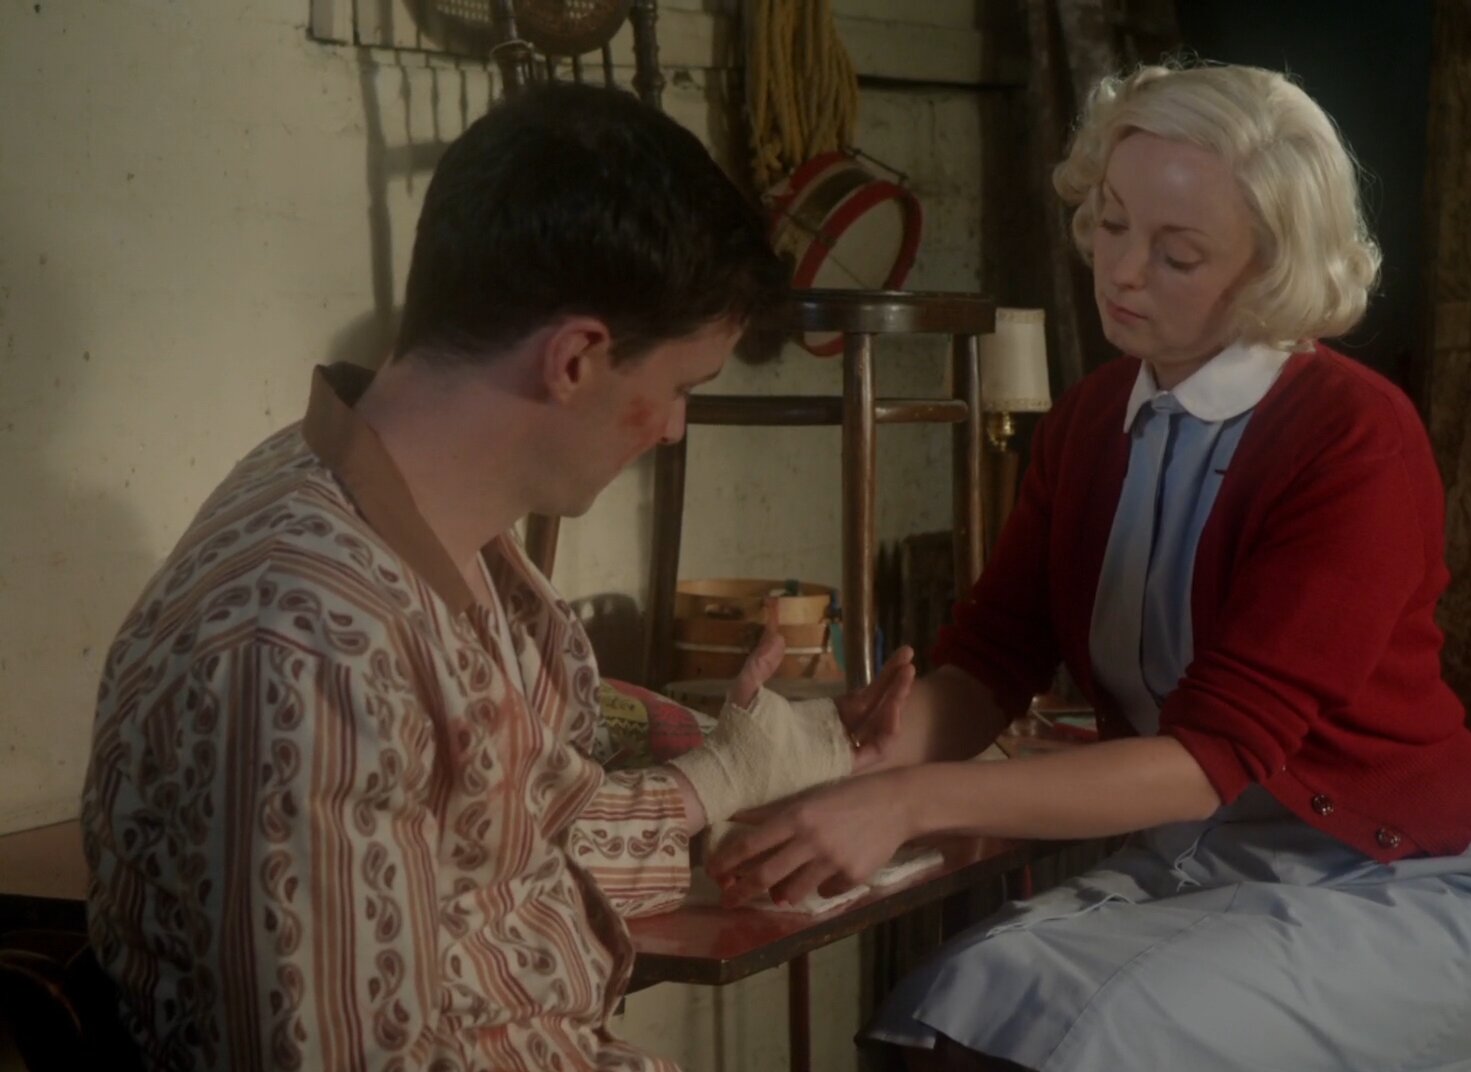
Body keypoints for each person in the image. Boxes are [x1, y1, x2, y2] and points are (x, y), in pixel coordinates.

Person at [709, 64, 1471, 1071]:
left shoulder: (1354, 439)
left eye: (1176, 252)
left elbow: (1210, 759)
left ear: (1272, 266)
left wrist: (908, 802)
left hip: (1398, 881)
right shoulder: (1090, 423)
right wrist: (838, 767)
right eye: (1111, 224)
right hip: (1195, 860)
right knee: (938, 1014)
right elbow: (988, 666)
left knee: (1085, 1042)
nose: (1122, 271)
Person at [79, 82, 914, 1072]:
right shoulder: (308, 645)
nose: (674, 427)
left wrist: (742, 773)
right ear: (576, 359)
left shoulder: (423, 532)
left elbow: (501, 850)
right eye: (679, 387)